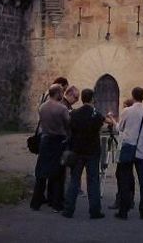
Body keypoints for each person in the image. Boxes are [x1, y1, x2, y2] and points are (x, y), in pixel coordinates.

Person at [62, 88, 113, 219]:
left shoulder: (74, 113)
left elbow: (70, 129)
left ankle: (68, 209)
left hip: (77, 150)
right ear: (92, 99)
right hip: (92, 151)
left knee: (74, 180)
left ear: (82, 98)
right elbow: (105, 124)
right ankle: (95, 211)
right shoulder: (96, 114)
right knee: (93, 181)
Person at [115, 86, 143, 220]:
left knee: (125, 181)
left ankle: (123, 211)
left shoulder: (127, 111)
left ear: (133, 96)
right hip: (142, 150)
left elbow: (120, 128)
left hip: (128, 148)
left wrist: (114, 122)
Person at [30, 83, 69, 212]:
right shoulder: (62, 109)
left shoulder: (42, 107)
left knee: (41, 172)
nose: (62, 95)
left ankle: (36, 202)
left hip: (45, 140)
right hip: (58, 140)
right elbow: (67, 124)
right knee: (58, 173)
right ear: (57, 93)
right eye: (61, 92)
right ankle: (56, 203)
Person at [108, 98, 135, 210]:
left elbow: (120, 128)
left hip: (125, 146)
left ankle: (121, 201)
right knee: (129, 175)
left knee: (121, 175)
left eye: (124, 106)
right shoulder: (136, 117)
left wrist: (112, 119)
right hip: (133, 147)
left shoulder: (127, 114)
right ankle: (130, 199)